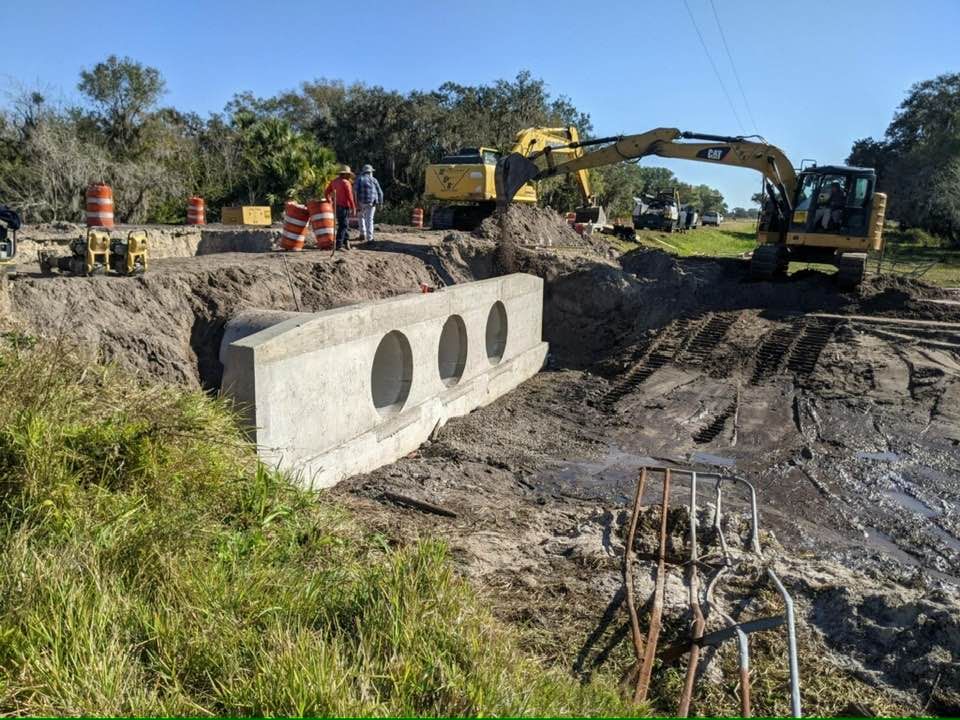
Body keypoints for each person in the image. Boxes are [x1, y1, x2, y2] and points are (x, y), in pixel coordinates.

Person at [324, 165, 356, 250]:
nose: (349, 176)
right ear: (345, 174)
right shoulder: (346, 182)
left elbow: (326, 192)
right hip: (344, 207)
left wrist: (329, 201)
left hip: (336, 206)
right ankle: (339, 244)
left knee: (344, 224)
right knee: (343, 225)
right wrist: (353, 207)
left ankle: (346, 242)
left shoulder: (334, 182)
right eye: (348, 174)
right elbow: (350, 196)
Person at [354, 164, 384, 244]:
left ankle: (362, 234)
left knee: (361, 217)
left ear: (363, 172)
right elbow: (380, 192)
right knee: (370, 219)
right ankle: (370, 238)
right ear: (370, 172)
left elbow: (355, 191)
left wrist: (356, 203)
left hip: (361, 202)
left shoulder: (359, 179)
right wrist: (380, 203)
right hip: (372, 203)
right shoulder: (374, 180)